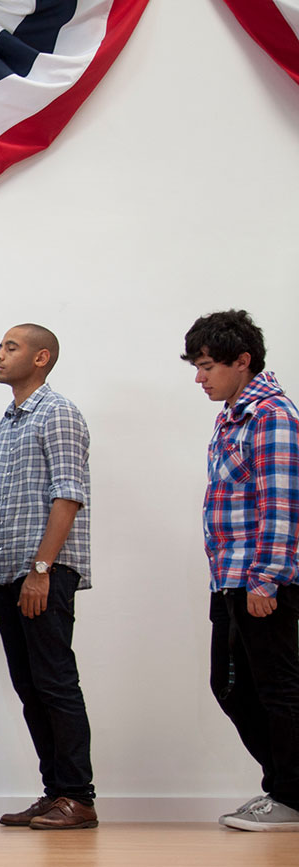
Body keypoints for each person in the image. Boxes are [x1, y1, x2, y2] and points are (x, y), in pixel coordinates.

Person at [0, 323, 96, 831]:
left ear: (41, 358)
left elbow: (67, 495)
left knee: (55, 682)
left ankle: (79, 798)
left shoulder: (58, 413)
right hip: (7, 569)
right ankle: (55, 792)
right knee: (29, 685)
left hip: (43, 572)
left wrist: (42, 570)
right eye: (0, 345)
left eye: (10, 347)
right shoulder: (7, 422)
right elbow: (2, 507)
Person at [181, 310, 299, 831]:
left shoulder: (271, 415)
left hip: (259, 580)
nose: (199, 377)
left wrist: (265, 578)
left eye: (207, 366)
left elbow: (282, 503)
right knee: (231, 687)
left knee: (276, 689)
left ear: (242, 361)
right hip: (229, 577)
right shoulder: (234, 414)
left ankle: (293, 797)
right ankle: (283, 788)